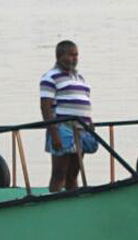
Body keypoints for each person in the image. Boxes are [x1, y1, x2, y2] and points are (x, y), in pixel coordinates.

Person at [40, 40, 97, 192]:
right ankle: (54, 201)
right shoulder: (50, 77)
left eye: (76, 55)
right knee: (59, 173)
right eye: (71, 55)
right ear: (59, 56)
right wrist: (54, 133)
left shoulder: (80, 78)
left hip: (82, 130)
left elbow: (83, 101)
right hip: (62, 128)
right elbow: (45, 107)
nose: (74, 59)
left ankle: (74, 199)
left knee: (73, 174)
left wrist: (89, 122)